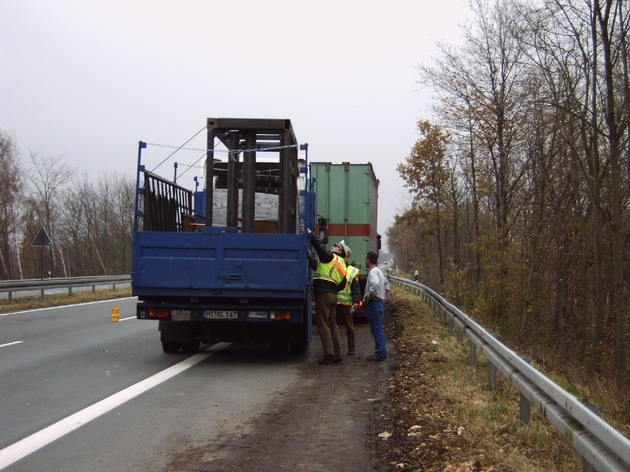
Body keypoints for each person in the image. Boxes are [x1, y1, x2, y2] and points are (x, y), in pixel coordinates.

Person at [308, 232, 348, 365]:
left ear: (339, 251)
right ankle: (338, 354)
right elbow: (342, 284)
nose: (333, 246)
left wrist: (311, 235)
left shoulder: (331, 258)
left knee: (323, 325)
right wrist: (309, 258)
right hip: (332, 296)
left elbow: (320, 249)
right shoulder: (341, 265)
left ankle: (329, 354)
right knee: (332, 325)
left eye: (336, 246)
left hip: (324, 296)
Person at [336, 244, 361, 356]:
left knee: (349, 327)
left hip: (345, 304)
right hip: (335, 302)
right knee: (333, 327)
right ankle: (335, 350)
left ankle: (351, 349)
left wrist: (356, 302)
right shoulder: (335, 266)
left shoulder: (351, 270)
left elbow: (355, 288)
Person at [364, 251, 387, 361]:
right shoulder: (379, 271)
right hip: (379, 302)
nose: (365, 261)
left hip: (374, 303)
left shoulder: (373, 272)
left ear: (368, 260)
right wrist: (383, 294)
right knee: (379, 328)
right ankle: (381, 352)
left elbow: (375, 285)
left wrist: (368, 296)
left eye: (365, 259)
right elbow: (386, 285)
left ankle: (380, 353)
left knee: (376, 329)